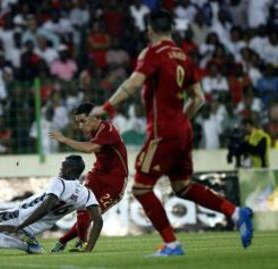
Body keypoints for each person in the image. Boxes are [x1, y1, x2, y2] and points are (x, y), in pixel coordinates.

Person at [90, 10, 253, 256]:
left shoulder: (153, 53)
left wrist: (106, 107)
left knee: (141, 189)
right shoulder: (183, 57)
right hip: (182, 131)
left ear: (150, 30)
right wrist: (181, 123)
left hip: (162, 132)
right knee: (182, 186)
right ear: (171, 30)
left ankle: (172, 244)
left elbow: (133, 83)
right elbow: (199, 99)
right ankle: (236, 212)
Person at [0, 155, 103, 253]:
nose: (60, 169)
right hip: (38, 228)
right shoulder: (87, 194)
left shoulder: (59, 182)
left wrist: (20, 226)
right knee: (5, 229)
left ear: (71, 169)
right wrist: (89, 248)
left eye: (63, 167)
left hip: (23, 215)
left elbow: (46, 206)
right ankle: (30, 244)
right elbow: (98, 220)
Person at [49, 102, 128, 252]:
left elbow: (89, 148)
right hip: (97, 174)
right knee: (82, 208)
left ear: (95, 118)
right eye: (78, 122)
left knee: (92, 214)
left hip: (115, 182)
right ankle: (82, 242)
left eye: (82, 121)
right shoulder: (93, 130)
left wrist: (65, 139)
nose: (80, 126)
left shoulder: (108, 131)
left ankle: (65, 241)